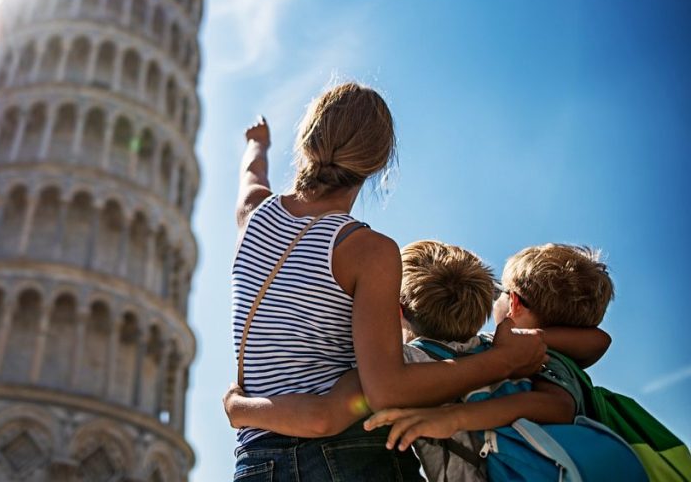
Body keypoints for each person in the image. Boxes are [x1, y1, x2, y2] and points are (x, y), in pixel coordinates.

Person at [230, 82, 546, 481]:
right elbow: (386, 389)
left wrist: (256, 143)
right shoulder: (366, 250)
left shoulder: (253, 215)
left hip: (255, 459)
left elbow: (251, 173)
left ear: (308, 138)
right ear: (376, 164)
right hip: (346, 455)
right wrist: (501, 361)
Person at [228, 240, 609, 481]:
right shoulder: (503, 353)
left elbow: (325, 416)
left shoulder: (403, 367)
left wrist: (240, 408)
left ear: (395, 312)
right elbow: (597, 340)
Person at [364, 244, 617, 455]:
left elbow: (557, 406)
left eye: (501, 293)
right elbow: (599, 340)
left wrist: (456, 418)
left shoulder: (546, 357)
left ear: (514, 303)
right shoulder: (503, 348)